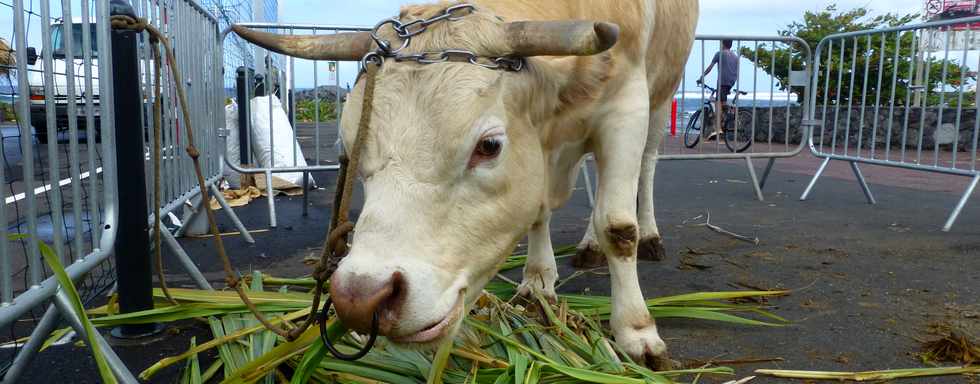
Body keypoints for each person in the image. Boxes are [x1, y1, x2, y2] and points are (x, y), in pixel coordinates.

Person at [697, 39, 739, 140]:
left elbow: (710, 68)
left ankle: (718, 128)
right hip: (731, 82)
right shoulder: (735, 56)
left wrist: (701, 77)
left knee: (717, 103)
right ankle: (730, 110)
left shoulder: (719, 54)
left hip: (722, 82)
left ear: (723, 44)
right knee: (722, 101)